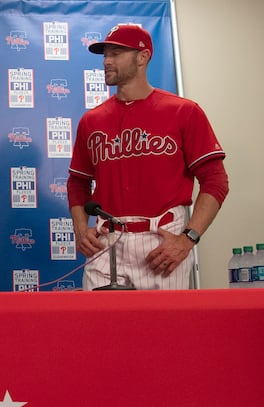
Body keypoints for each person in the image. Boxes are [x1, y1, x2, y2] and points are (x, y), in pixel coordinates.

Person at [67, 24, 229, 290]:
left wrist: (188, 239)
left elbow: (216, 180)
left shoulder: (183, 112)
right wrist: (81, 229)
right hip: (107, 241)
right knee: (102, 329)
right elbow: (77, 182)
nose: (107, 61)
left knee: (162, 330)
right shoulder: (92, 120)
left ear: (143, 57)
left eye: (116, 53)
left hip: (162, 241)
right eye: (105, 54)